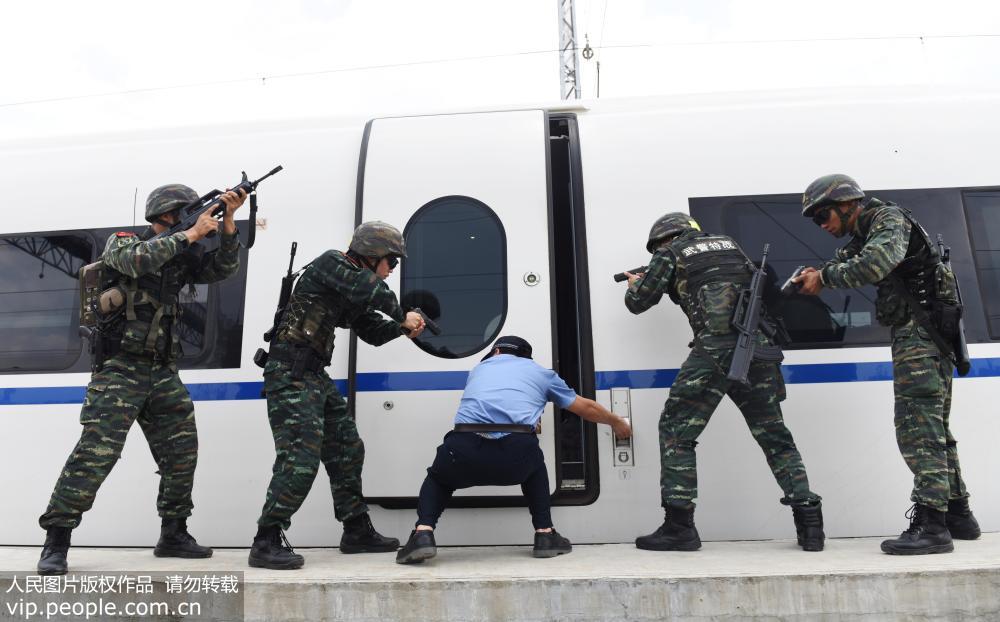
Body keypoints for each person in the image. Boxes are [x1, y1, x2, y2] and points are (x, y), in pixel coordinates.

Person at [37, 184, 248, 575]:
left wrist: (230, 221)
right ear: (167, 215)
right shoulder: (126, 242)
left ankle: (174, 533)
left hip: (163, 370)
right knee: (96, 455)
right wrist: (191, 233)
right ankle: (57, 540)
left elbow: (223, 269)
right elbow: (134, 263)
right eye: (187, 212)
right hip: (120, 369)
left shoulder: (181, 255)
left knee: (181, 453)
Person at [794, 173, 980, 555]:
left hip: (921, 337)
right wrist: (815, 275)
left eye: (823, 215)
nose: (821, 224)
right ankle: (959, 514)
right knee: (934, 428)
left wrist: (824, 278)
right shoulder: (867, 231)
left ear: (847, 204)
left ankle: (932, 525)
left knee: (917, 427)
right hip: (922, 335)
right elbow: (846, 259)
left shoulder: (888, 220)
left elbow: (874, 264)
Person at [623, 212, 824, 553]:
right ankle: (811, 528)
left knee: (676, 431)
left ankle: (679, 527)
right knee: (775, 436)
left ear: (663, 239)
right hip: (758, 347)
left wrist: (635, 284)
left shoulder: (669, 254)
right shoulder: (731, 247)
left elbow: (638, 303)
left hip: (714, 352)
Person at [249, 221, 426, 569]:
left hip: (312, 374)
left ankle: (356, 530)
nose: (392, 269)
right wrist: (402, 314)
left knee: (346, 446)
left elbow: (371, 331)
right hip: (290, 372)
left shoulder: (350, 286)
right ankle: (265, 540)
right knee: (300, 458)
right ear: (373, 254)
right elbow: (373, 290)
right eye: (391, 261)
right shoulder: (333, 264)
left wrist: (401, 329)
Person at [395, 335, 632, 564]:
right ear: (526, 358)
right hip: (514, 456)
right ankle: (545, 534)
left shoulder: (479, 370)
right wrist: (616, 422)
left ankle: (423, 533)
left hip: (463, 450)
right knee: (535, 466)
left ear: (496, 351)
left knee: (438, 478)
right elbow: (586, 408)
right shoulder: (542, 374)